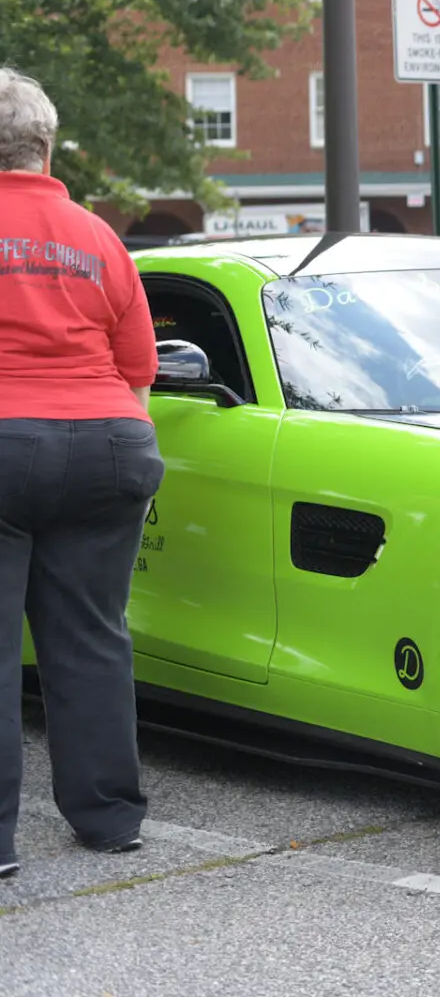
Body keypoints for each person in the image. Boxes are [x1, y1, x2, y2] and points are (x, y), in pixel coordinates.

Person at [0, 67, 161, 879]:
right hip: (108, 442)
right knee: (93, 634)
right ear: (47, 145)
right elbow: (139, 365)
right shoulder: (99, 237)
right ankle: (108, 819)